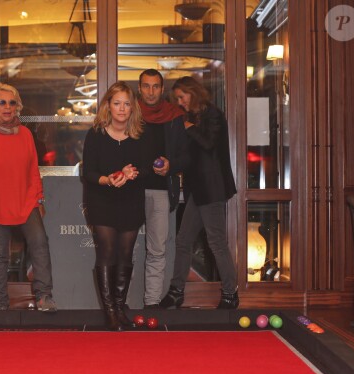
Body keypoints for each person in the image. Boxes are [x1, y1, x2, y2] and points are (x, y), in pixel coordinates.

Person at [0, 82, 56, 312]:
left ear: (18, 107)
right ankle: (0, 305)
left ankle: (44, 297)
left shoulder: (25, 134)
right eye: (1, 102)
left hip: (26, 202)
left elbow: (33, 170)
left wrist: (39, 199)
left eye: (12, 103)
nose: (7, 107)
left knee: (40, 243)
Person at [159, 76, 239, 309]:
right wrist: (170, 166)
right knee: (183, 241)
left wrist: (189, 127)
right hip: (198, 191)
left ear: (192, 93)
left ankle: (230, 293)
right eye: (177, 99)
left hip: (212, 189)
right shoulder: (192, 119)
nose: (180, 103)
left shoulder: (212, 115)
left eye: (181, 97)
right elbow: (188, 158)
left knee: (216, 243)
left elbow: (208, 143)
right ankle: (176, 292)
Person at [82, 81, 148, 331]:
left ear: (133, 108)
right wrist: (108, 180)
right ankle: (109, 311)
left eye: (127, 104)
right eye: (117, 103)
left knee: (126, 255)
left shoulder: (141, 135)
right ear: (108, 105)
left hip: (131, 202)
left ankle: (120, 308)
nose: (122, 109)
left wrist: (133, 173)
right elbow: (88, 173)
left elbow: (146, 170)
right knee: (107, 253)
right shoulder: (96, 134)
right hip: (102, 201)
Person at [137, 69, 185, 309]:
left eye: (155, 86)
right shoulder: (130, 113)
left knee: (157, 250)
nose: (151, 91)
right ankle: (117, 302)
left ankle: (152, 303)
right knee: (123, 250)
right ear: (139, 88)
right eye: (146, 86)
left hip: (161, 191)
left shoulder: (175, 116)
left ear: (162, 88)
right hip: (130, 191)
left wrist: (171, 165)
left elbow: (186, 156)